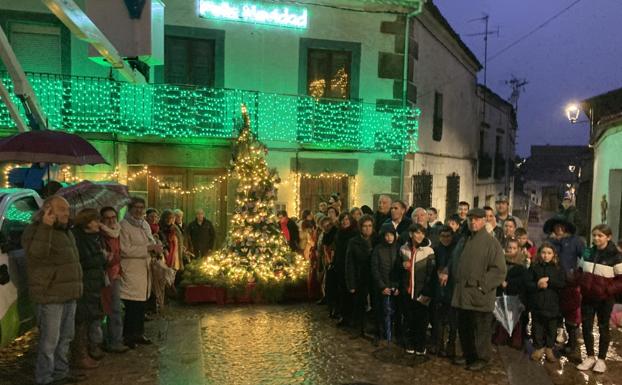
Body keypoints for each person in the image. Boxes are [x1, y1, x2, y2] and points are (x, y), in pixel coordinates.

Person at [23, 196, 84, 385]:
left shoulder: (66, 231)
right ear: (48, 210)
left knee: (66, 338)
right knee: (49, 342)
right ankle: (45, 378)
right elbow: (37, 255)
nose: (67, 213)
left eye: (67, 209)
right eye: (62, 209)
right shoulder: (34, 230)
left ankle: (60, 373)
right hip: (50, 295)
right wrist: (45, 227)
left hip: (69, 293)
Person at [451, 208, 506, 371]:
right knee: (465, 326)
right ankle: (467, 354)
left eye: (476, 219)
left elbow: (499, 270)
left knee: (481, 329)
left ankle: (481, 357)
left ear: (484, 221)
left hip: (480, 294)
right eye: (470, 219)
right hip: (463, 293)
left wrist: (482, 285)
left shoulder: (491, 243)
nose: (473, 222)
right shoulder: (464, 239)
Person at [576, 224, 622, 373]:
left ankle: (601, 359)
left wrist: (608, 290)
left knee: (603, 327)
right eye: (594, 235)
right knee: (587, 326)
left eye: (600, 235)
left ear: (608, 237)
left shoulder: (615, 255)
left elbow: (620, 279)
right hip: (588, 296)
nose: (596, 238)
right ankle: (590, 356)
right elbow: (580, 270)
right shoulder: (588, 252)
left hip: (605, 298)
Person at [120, 197, 161, 348]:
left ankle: (138, 332)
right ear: (130, 208)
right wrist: (147, 249)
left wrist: (155, 246)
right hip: (131, 269)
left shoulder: (144, 224)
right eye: (136, 207)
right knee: (132, 304)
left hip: (145, 268)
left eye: (141, 207)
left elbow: (149, 241)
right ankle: (128, 335)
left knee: (141, 303)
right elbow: (124, 249)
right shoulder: (124, 225)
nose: (139, 210)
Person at [543, 215, 584, 362]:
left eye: (561, 226)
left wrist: (578, 273)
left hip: (570, 284)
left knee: (572, 315)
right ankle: (553, 344)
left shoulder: (575, 241)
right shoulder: (550, 241)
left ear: (566, 228)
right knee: (555, 313)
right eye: (556, 226)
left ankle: (574, 348)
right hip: (553, 282)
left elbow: (585, 256)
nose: (559, 229)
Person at [71, 209, 107, 369]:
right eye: (95, 221)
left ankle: (90, 349)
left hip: (93, 283)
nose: (98, 223)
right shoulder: (78, 238)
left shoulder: (94, 237)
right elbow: (83, 261)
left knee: (92, 317)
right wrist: (102, 257)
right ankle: (80, 355)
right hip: (84, 283)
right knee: (82, 320)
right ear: (87, 222)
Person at [399, 223, 435, 357]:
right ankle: (410, 343)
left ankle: (420, 345)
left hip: (422, 292)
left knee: (422, 320)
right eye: (417, 233)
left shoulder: (428, 251)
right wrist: (402, 265)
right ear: (411, 234)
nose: (420, 236)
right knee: (409, 319)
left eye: (422, 233)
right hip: (407, 291)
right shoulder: (403, 249)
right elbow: (400, 270)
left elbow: (431, 274)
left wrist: (427, 292)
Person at [526, 242, 565, 363]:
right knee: (537, 327)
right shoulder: (534, 267)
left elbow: (562, 283)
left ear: (553, 255)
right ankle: (538, 348)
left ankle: (549, 348)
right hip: (538, 303)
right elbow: (528, 283)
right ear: (539, 254)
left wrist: (550, 281)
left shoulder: (558, 268)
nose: (546, 255)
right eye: (543, 252)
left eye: (549, 253)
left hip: (553, 304)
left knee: (551, 328)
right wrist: (537, 284)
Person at [99, 207, 129, 353]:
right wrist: (116, 257)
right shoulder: (100, 236)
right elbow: (107, 259)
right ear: (102, 219)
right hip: (106, 277)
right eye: (107, 218)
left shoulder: (117, 233)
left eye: (113, 217)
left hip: (116, 275)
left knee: (115, 309)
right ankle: (112, 341)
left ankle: (114, 339)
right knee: (110, 309)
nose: (111, 220)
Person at [493, 238, 528, 349]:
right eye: (509, 248)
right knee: (502, 315)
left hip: (515, 294)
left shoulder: (522, 263)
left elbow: (523, 279)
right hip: (502, 294)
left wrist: (509, 283)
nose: (511, 250)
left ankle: (515, 339)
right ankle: (501, 337)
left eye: (514, 248)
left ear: (518, 249)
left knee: (515, 317)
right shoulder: (501, 261)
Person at [345, 215, 375, 338]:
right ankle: (360, 329)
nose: (367, 229)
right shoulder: (354, 242)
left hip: (374, 278)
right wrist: (351, 283)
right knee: (360, 305)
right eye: (365, 226)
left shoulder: (376, 240)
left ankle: (372, 329)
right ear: (360, 227)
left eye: (370, 226)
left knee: (373, 305)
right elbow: (349, 263)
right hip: (359, 278)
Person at [371, 224, 401, 345]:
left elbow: (400, 269)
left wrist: (396, 285)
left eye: (391, 235)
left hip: (395, 287)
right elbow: (375, 268)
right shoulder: (378, 249)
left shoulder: (398, 248)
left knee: (396, 312)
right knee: (381, 311)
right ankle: (381, 334)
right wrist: (382, 286)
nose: (389, 237)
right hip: (382, 286)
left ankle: (395, 335)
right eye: (386, 235)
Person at [432, 226, 458, 357]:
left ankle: (451, 345)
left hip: (452, 289)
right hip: (439, 290)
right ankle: (439, 344)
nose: (445, 239)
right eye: (443, 236)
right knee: (439, 320)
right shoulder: (436, 249)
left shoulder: (456, 250)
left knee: (452, 321)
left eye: (448, 236)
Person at [333, 212, 359, 327]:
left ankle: (352, 317)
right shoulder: (339, 233)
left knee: (351, 292)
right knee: (341, 291)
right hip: (340, 265)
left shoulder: (354, 233)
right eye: (343, 219)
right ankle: (344, 316)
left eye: (347, 219)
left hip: (350, 266)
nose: (345, 221)